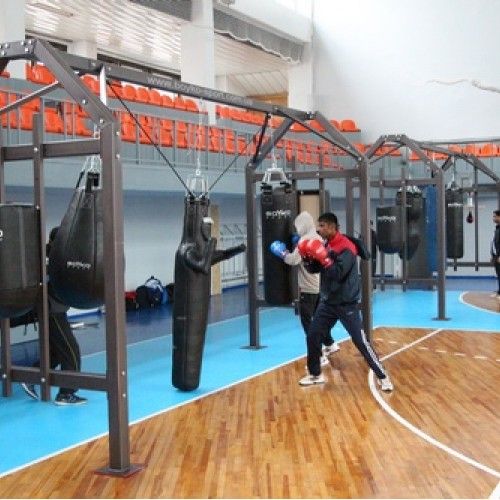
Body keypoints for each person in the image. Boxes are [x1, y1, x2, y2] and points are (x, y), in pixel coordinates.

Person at [296, 212, 393, 391]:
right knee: (313, 335)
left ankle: (383, 376)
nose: (318, 229)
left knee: (360, 342)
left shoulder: (346, 247)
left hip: (346, 304)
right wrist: (307, 259)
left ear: (332, 227)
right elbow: (315, 270)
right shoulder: (326, 244)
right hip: (328, 302)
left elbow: (338, 274)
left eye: (322, 226)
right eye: (318, 225)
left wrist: (324, 258)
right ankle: (315, 374)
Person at [21, 227, 87, 405]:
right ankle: (66, 393)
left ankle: (30, 377)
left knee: (57, 353)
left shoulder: (54, 257)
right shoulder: (53, 259)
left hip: (54, 310)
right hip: (52, 311)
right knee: (71, 350)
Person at [270, 211, 340, 366]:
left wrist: (281, 252)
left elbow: (292, 260)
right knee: (319, 319)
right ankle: (330, 344)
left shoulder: (305, 240)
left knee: (308, 323)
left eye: (298, 226)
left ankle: (318, 356)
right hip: (321, 287)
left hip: (307, 288)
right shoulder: (319, 238)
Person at [491, 209, 500, 298]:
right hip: (496, 256)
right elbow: (495, 243)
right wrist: (493, 255)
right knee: (499, 274)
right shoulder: (497, 228)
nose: (493, 218)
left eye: (495, 216)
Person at [370, 220, 378, 286]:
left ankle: (374, 285)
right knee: (363, 270)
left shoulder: (375, 234)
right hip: (365, 255)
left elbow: (378, 244)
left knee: (373, 270)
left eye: (370, 225)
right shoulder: (363, 234)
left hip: (373, 255)